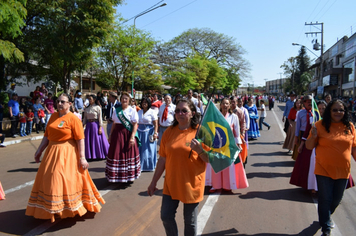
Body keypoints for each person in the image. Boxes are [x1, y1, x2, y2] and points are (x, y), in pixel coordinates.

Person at [25, 93, 105, 223]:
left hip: (67, 154)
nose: (59, 104)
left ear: (70, 103)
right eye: (58, 101)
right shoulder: (53, 117)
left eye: (63, 101)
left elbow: (80, 139)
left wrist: (82, 158)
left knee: (59, 178)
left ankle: (66, 208)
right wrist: (39, 150)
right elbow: (46, 136)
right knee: (48, 179)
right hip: (51, 153)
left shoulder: (73, 119)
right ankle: (53, 208)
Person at [147, 98, 209, 236]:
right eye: (177, 111)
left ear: (192, 113)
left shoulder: (201, 132)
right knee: (166, 216)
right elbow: (162, 159)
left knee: (190, 222)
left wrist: (200, 150)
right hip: (171, 182)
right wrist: (153, 182)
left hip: (192, 184)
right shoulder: (169, 132)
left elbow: (209, 159)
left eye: (184, 111)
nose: (180, 113)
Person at [306, 99, 356, 236]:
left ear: (345, 112)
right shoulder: (319, 125)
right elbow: (309, 146)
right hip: (323, 169)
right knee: (325, 199)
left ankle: (325, 217)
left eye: (341, 110)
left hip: (343, 171)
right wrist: (313, 137)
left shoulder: (350, 126)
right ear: (329, 111)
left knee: (336, 200)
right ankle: (326, 228)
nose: (338, 112)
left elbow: (354, 148)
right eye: (335, 109)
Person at [205, 98, 248, 193]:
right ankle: (216, 185)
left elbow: (236, 133)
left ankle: (228, 185)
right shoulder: (216, 116)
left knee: (229, 167)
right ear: (220, 105)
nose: (225, 105)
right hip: (216, 145)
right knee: (216, 165)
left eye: (227, 104)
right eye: (223, 103)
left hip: (229, 146)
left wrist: (238, 145)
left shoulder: (234, 117)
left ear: (230, 106)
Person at [106, 91, 141, 183]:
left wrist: (132, 137)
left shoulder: (132, 111)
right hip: (117, 134)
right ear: (120, 99)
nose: (124, 100)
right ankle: (117, 176)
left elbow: (134, 124)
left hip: (127, 134)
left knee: (127, 154)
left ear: (129, 100)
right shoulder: (116, 110)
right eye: (122, 98)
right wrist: (110, 134)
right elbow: (114, 123)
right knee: (116, 153)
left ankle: (128, 176)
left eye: (126, 98)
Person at [290, 95, 317, 190]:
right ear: (304, 103)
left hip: (314, 137)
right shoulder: (300, 113)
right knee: (301, 155)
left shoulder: (316, 112)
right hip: (303, 135)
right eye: (307, 101)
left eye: (311, 101)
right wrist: (296, 137)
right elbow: (298, 126)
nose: (309, 103)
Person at [83, 94, 109, 160]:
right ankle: (90, 155)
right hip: (89, 125)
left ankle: (99, 154)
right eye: (88, 99)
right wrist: (82, 125)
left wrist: (100, 127)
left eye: (90, 99)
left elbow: (100, 118)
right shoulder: (87, 108)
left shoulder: (97, 108)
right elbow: (85, 118)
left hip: (95, 125)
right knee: (89, 140)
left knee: (97, 140)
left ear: (94, 100)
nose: (89, 100)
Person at [137, 97, 158, 171]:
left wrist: (155, 133)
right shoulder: (139, 112)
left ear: (149, 103)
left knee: (148, 149)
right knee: (140, 149)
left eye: (146, 102)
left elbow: (156, 124)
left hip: (149, 132)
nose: (144, 103)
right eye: (143, 102)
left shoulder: (152, 112)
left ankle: (148, 166)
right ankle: (140, 165)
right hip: (140, 132)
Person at [237, 97, 250, 167]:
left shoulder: (244, 110)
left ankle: (244, 157)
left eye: (241, 102)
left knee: (243, 143)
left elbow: (247, 119)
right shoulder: (234, 110)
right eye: (239, 102)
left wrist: (246, 127)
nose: (240, 103)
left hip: (242, 130)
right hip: (236, 131)